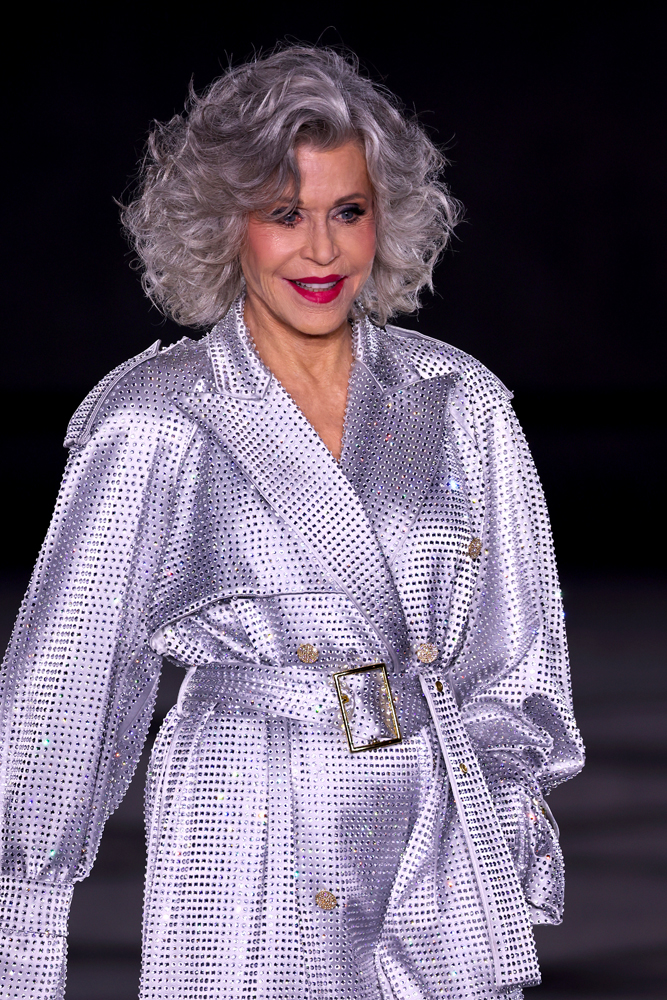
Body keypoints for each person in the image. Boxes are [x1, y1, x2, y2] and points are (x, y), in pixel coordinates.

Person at [0, 45, 584, 1000]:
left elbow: (517, 660)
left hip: (428, 832)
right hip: (249, 814)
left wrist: (494, 821)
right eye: (284, 215)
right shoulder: (156, 418)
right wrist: (24, 921)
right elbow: (68, 685)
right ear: (225, 227)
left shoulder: (460, 402)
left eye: (347, 212)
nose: (322, 251)